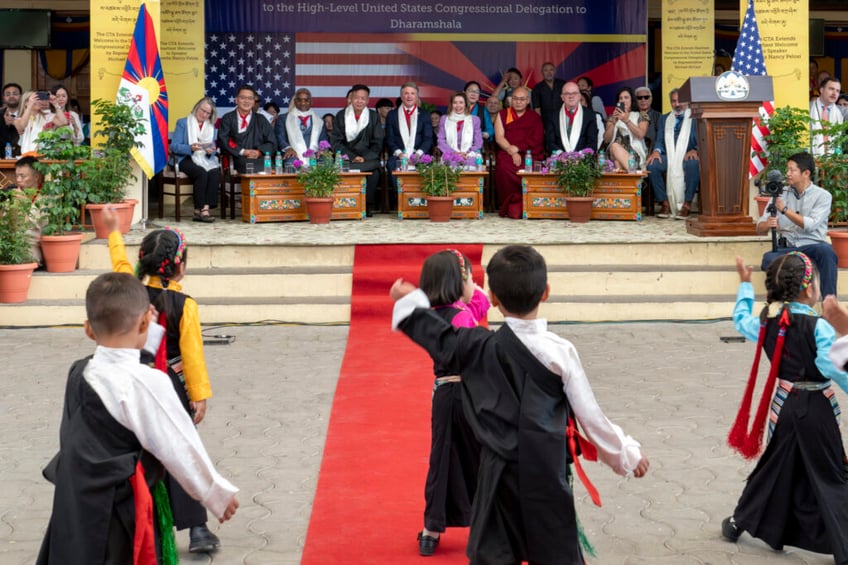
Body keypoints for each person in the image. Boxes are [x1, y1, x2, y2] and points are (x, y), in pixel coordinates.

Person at [390, 244, 649, 564]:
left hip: (496, 478)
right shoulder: (560, 352)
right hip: (545, 473)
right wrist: (624, 454)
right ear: (546, 292)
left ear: (493, 299)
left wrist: (409, 303)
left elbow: (438, 336)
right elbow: (590, 416)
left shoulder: (477, 346)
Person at [36, 272, 239, 565]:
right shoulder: (148, 383)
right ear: (145, 321)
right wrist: (215, 493)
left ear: (88, 330)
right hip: (122, 512)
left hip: (77, 506)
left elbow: (123, 362)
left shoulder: (79, 373)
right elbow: (178, 444)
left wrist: (147, 332)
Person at [102, 207, 224, 553]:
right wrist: (198, 395)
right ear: (179, 265)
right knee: (182, 450)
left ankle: (133, 522)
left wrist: (114, 233)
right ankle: (198, 529)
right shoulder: (185, 305)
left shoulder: (129, 292)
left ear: (143, 262)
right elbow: (192, 355)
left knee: (135, 452)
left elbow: (120, 267)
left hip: (131, 383)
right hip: (170, 384)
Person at [722, 253, 848, 563]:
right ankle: (844, 547)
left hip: (785, 407)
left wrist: (743, 285)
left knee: (774, 467)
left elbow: (740, 320)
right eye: (817, 282)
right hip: (816, 410)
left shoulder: (768, 322)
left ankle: (739, 522)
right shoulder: (818, 326)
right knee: (830, 474)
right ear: (809, 290)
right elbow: (829, 365)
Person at [415, 250, 489, 557]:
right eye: (470, 278)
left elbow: (478, 302)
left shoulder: (431, 314)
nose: (475, 283)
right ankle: (484, 525)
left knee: (442, 460)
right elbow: (481, 308)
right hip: (469, 394)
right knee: (479, 458)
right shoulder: (461, 317)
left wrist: (466, 286)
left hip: (444, 396)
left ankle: (431, 530)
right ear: (456, 283)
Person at [757, 152, 838, 298]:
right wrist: (767, 224)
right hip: (787, 247)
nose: (787, 174)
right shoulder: (779, 194)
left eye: (792, 170)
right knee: (768, 259)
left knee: (827, 253)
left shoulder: (823, 196)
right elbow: (759, 228)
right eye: (787, 170)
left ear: (806, 173)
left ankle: (829, 304)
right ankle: (783, 305)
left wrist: (785, 210)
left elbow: (810, 225)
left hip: (813, 245)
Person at [329, 84, 384, 216]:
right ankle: (345, 204)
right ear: (350, 99)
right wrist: (352, 156)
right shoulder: (341, 115)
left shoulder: (373, 116)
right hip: (348, 158)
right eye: (356, 98)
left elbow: (378, 141)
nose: (359, 101)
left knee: (374, 170)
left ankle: (367, 205)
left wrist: (364, 157)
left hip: (367, 159)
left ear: (368, 100)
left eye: (363, 98)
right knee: (339, 167)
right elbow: (336, 142)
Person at [646, 88, 699, 219]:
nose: (677, 104)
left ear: (687, 102)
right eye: (674, 101)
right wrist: (656, 152)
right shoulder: (665, 119)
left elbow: (703, 138)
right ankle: (664, 203)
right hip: (669, 155)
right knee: (653, 165)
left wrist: (696, 149)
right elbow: (659, 140)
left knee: (693, 163)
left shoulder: (695, 117)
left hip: (687, 155)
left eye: (680, 101)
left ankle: (686, 204)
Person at [494, 86, 544, 218]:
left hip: (529, 153)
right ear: (511, 100)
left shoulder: (534, 117)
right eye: (515, 98)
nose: (518, 102)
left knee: (533, 169)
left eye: (522, 99)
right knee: (503, 167)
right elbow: (499, 137)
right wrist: (513, 151)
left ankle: (531, 203)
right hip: (508, 152)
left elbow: (537, 138)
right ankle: (508, 204)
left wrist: (519, 148)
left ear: (528, 100)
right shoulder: (503, 114)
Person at [171, 96, 222, 223]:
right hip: (185, 158)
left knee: (214, 171)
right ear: (196, 108)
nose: (204, 114)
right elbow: (174, 146)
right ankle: (199, 209)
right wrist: (190, 148)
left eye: (207, 113)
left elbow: (213, 148)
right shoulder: (183, 123)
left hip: (203, 157)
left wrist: (211, 151)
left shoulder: (211, 127)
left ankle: (204, 209)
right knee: (201, 172)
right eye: (202, 110)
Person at [386, 82, 434, 208]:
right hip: (399, 155)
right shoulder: (392, 115)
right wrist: (400, 154)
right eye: (406, 93)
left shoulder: (424, 114)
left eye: (412, 93)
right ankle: (402, 202)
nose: (409, 96)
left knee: (428, 164)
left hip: (419, 154)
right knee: (392, 163)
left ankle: (423, 202)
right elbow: (390, 139)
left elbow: (428, 138)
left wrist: (417, 154)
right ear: (401, 96)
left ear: (417, 97)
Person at [217, 84, 277, 174]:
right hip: (238, 157)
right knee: (248, 166)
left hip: (260, 157)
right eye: (243, 98)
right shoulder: (228, 118)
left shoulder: (261, 119)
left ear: (254, 102)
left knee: (270, 167)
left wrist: (259, 152)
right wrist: (243, 152)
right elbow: (223, 140)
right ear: (236, 100)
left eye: (250, 98)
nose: (246, 101)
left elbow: (272, 142)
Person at [274, 88, 328, 168]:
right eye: (299, 100)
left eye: (306, 100)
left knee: (327, 161)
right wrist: (288, 148)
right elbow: (279, 137)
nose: (303, 103)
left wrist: (322, 150)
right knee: (291, 161)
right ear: (295, 102)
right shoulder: (284, 118)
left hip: (315, 154)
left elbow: (323, 139)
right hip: (293, 153)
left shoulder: (319, 120)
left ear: (311, 102)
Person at [603, 86, 649, 172]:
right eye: (620, 98)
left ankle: (627, 175)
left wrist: (626, 120)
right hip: (613, 153)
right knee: (614, 146)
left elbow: (640, 135)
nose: (623, 100)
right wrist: (614, 122)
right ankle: (634, 176)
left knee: (617, 163)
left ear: (632, 100)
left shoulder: (641, 115)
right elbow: (606, 140)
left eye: (626, 97)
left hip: (634, 154)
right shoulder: (612, 118)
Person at [545, 81, 598, 155]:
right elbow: (549, 142)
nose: (571, 96)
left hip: (583, 161)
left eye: (574, 93)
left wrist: (579, 156)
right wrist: (561, 155)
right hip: (559, 160)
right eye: (567, 94)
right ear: (562, 97)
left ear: (579, 96)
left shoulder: (589, 115)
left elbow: (592, 143)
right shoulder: (553, 116)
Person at [12, 156, 46, 265]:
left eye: (23, 176)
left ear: (36, 177)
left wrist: (25, 204)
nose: (18, 180)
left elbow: (36, 226)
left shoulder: (47, 196)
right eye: (17, 176)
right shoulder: (15, 193)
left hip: (35, 243)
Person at [15, 90, 68, 155]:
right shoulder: (18, 120)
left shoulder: (47, 116)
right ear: (26, 102)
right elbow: (22, 126)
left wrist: (56, 104)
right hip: (26, 157)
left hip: (45, 155)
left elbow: (63, 123)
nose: (39, 101)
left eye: (39, 99)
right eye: (36, 99)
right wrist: (30, 106)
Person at [436, 92, 483, 166]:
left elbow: (478, 142)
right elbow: (441, 140)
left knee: (471, 163)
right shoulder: (444, 119)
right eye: (455, 102)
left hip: (469, 154)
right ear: (451, 105)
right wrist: (454, 153)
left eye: (461, 102)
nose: (458, 105)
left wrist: (467, 153)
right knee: (451, 163)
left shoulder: (475, 120)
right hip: (450, 154)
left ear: (465, 104)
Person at [810, 77, 843, 156]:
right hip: (810, 158)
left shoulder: (841, 112)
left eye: (837, 91)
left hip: (834, 160)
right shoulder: (808, 108)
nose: (834, 93)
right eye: (831, 89)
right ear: (821, 90)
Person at [531, 61, 566, 138]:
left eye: (551, 70)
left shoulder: (563, 84)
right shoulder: (537, 88)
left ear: (555, 71)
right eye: (545, 70)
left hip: (563, 120)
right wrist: (540, 126)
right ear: (542, 72)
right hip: (546, 122)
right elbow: (537, 109)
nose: (548, 72)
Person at [635, 86, 661, 150]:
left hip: (652, 152)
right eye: (639, 98)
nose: (643, 100)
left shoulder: (658, 116)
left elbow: (661, 139)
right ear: (636, 100)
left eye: (646, 97)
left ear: (651, 99)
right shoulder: (632, 115)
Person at [0, 82, 22, 153]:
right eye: (8, 94)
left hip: (23, 156)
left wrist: (15, 123)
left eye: (15, 94)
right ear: (3, 97)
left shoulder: (26, 114)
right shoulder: (1, 115)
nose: (11, 96)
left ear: (20, 96)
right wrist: (4, 125)